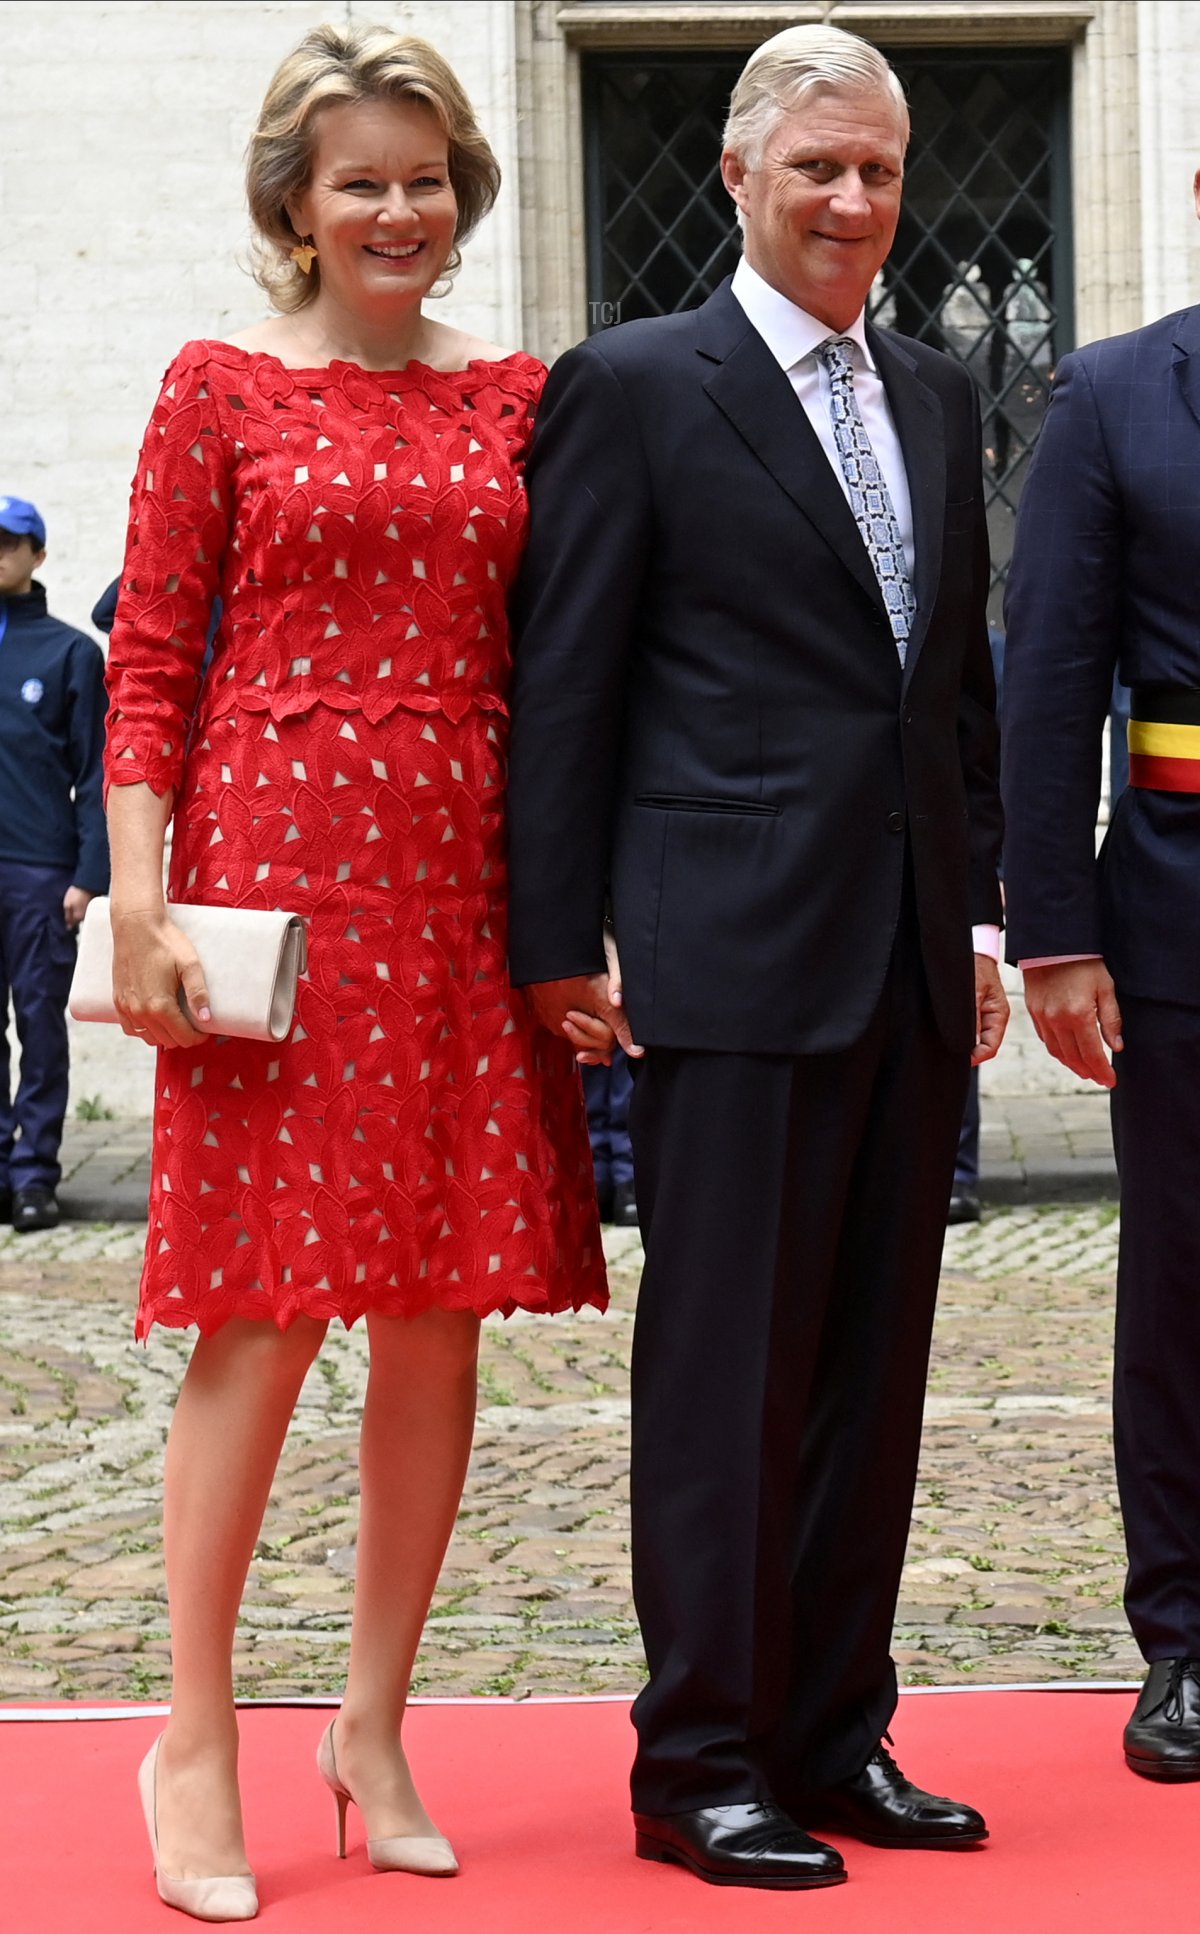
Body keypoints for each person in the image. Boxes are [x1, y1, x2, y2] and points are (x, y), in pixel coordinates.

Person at [103, 23, 606, 1921]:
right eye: (358, 181)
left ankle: (374, 1719)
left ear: (459, 192)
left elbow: (571, 671)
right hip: (271, 894)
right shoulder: (217, 386)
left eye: (422, 177)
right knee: (262, 1309)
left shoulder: (521, 403)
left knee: (436, 1310)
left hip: (466, 890)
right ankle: (200, 1727)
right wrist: (141, 902)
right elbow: (151, 661)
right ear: (294, 206)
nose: (396, 210)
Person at [507, 22, 1006, 1892]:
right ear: (739, 173)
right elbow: (567, 682)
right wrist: (557, 938)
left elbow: (950, 685)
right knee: (723, 1372)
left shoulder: (945, 395)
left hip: (899, 958)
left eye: (878, 169)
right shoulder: (638, 385)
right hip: (720, 958)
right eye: (820, 168)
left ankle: (830, 1726)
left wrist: (973, 912)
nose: (854, 201)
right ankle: (699, 1753)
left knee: (874, 1370)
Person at [1002, 167, 1200, 1785]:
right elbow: (1052, 669)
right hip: (1186, 912)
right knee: (1189, 1282)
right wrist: (1054, 929)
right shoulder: (1117, 394)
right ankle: (1188, 1635)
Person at [0, 496, 109, 1231]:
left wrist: (88, 875)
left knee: (40, 1023)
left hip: (38, 871)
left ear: (38, 554)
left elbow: (98, 772)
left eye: (11, 543)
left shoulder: (72, 653)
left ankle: (34, 1172)